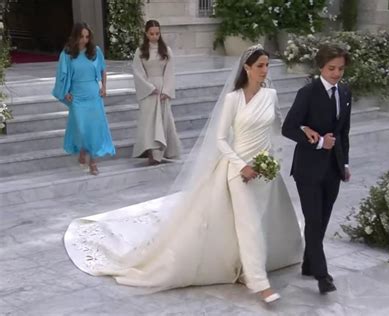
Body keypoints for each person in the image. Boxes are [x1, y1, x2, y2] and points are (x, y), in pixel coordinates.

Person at [64, 45, 303, 303]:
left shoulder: (271, 96)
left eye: (267, 65)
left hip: (264, 170)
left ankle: (246, 268)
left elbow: (277, 128)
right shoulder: (233, 99)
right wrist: (241, 165)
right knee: (249, 225)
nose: (265, 71)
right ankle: (260, 283)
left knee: (263, 220)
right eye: (260, 66)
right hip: (238, 171)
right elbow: (222, 139)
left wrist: (271, 158)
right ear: (247, 68)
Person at [282, 44, 352, 294]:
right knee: (313, 220)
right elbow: (288, 128)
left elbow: (344, 132)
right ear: (320, 67)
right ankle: (322, 276)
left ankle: (310, 264)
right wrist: (320, 141)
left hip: (333, 169)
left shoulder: (344, 93)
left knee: (322, 220)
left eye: (340, 69)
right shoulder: (307, 93)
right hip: (308, 169)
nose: (336, 73)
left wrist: (344, 163)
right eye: (331, 68)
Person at [52, 22, 115, 175]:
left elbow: (103, 70)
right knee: (81, 127)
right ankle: (82, 150)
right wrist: (65, 91)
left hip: (93, 94)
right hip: (77, 96)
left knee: (93, 128)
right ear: (75, 36)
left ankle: (93, 162)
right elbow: (62, 75)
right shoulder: (67, 54)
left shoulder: (95, 51)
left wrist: (104, 87)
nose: (84, 40)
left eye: (87, 37)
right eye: (81, 36)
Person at [132, 20, 181, 165]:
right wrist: (148, 87)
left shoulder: (166, 50)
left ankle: (162, 152)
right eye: (151, 33)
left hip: (161, 89)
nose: (154, 36)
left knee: (163, 120)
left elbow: (170, 71)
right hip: (148, 91)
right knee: (149, 123)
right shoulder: (140, 51)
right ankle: (150, 152)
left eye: (157, 33)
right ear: (146, 34)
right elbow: (137, 71)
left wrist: (166, 90)